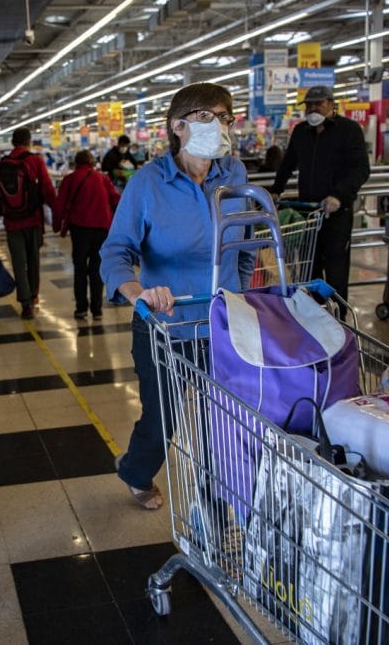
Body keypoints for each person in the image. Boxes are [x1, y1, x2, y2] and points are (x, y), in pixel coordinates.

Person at [100, 82, 255, 510]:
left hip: (224, 324)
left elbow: (243, 242)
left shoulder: (234, 175)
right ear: (178, 126)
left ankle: (218, 497)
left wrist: (247, 296)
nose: (220, 125)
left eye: (225, 117)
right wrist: (140, 294)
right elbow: (115, 253)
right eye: (208, 116)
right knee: (162, 416)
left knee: (223, 420)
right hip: (165, 327)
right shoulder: (147, 184)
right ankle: (135, 470)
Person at [271, 85, 371, 316]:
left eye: (318, 104)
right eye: (309, 105)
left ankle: (339, 316)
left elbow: (360, 169)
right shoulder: (301, 131)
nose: (313, 109)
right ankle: (313, 314)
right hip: (308, 212)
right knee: (309, 265)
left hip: (337, 212)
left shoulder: (349, 130)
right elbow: (288, 164)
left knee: (336, 267)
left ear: (331, 104)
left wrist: (339, 195)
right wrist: (276, 190)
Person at [0, 127, 57, 320]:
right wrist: (60, 214)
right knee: (33, 262)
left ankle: (25, 304)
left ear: (12, 142)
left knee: (18, 264)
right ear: (29, 141)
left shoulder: (2, 166)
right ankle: (33, 297)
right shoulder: (35, 161)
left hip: (11, 223)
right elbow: (48, 190)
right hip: (33, 221)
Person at [54, 150, 120, 321]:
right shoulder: (103, 179)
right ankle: (97, 310)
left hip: (79, 230)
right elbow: (116, 200)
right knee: (97, 270)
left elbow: (59, 204)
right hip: (102, 230)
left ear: (76, 162)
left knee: (80, 269)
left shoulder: (70, 179)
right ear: (92, 162)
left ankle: (81, 309)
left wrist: (56, 225)